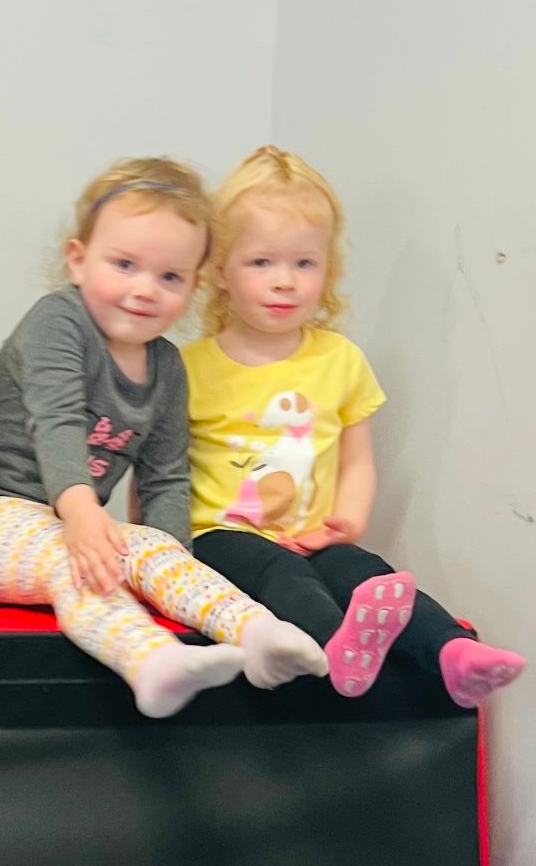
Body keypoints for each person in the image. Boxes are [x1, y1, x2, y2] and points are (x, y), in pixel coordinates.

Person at [0, 158, 329, 719]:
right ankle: (149, 662)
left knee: (145, 547)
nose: (144, 290)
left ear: (194, 285)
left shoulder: (166, 366)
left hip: (68, 520)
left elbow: (166, 475)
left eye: (170, 277)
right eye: (124, 265)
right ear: (78, 260)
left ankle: (258, 635)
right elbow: (55, 421)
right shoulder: (57, 321)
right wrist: (82, 514)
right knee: (80, 560)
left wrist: (169, 564)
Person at [182, 145, 524, 703]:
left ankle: (453, 654)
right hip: (221, 538)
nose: (285, 282)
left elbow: (358, 457)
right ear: (220, 270)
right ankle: (335, 645)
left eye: (304, 263)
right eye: (262, 262)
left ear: (327, 269)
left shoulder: (338, 359)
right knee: (285, 577)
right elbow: (162, 467)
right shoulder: (192, 366)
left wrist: (347, 521)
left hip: (312, 534)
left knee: (369, 572)